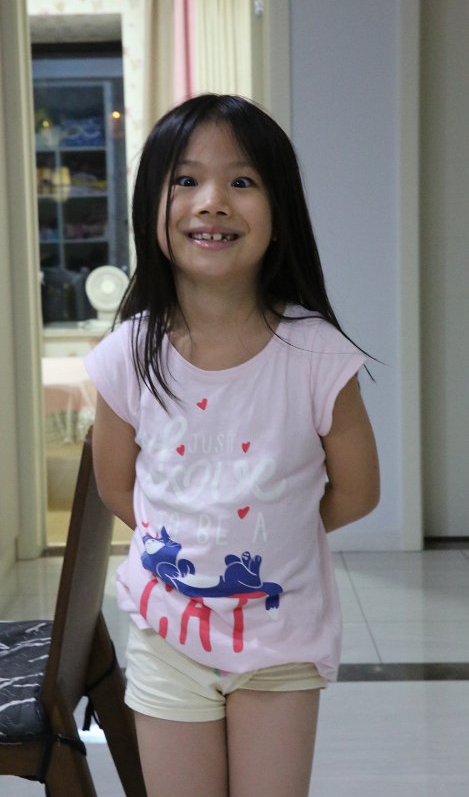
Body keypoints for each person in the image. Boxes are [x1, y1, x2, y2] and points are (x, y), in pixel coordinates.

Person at [85, 93, 380, 797]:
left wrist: (273, 530)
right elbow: (117, 486)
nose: (212, 201)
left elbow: (359, 491)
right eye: (185, 180)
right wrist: (197, 539)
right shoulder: (126, 355)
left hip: (280, 637)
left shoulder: (316, 355)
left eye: (242, 181)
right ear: (150, 208)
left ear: (280, 214)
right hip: (167, 633)